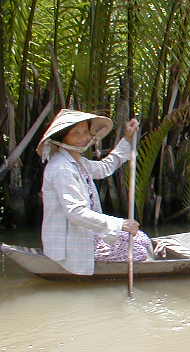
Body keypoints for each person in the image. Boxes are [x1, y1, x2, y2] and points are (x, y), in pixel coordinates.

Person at [37, 109, 152, 275]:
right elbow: (75, 212)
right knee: (140, 252)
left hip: (88, 235)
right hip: (71, 244)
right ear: (62, 138)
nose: (83, 137)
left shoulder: (77, 162)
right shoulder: (61, 168)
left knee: (142, 239)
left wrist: (127, 139)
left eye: (85, 132)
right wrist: (121, 224)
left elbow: (105, 167)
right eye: (76, 133)